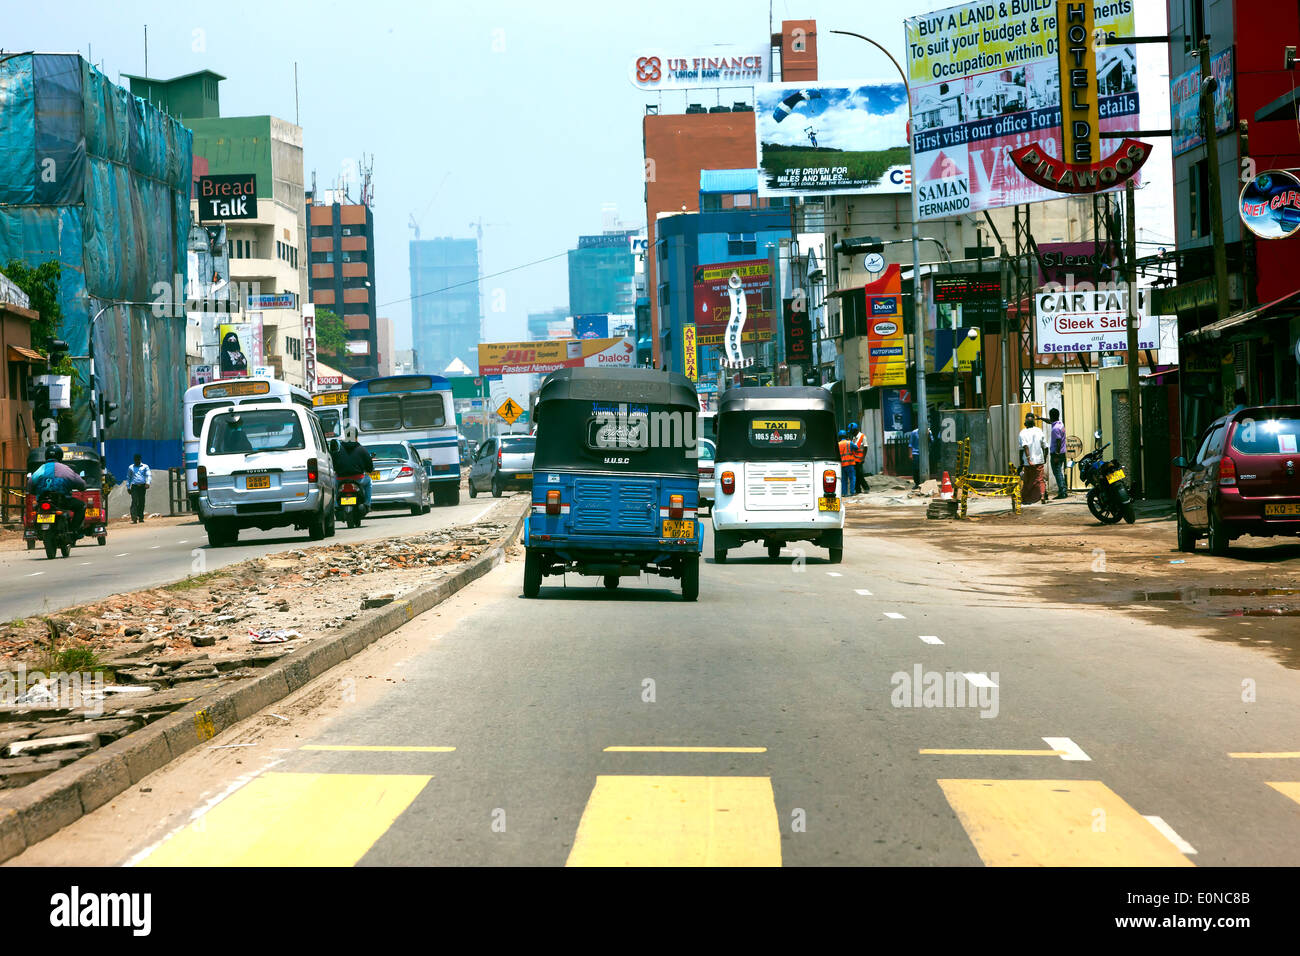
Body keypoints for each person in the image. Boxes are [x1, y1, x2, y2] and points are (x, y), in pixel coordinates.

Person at [26, 444, 86, 533]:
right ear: (60, 456)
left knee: (35, 510)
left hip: (42, 501)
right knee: (82, 506)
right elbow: (82, 485)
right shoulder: (66, 470)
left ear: (46, 456)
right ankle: (73, 531)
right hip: (62, 502)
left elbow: (30, 486)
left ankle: (36, 530)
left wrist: (37, 492)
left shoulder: (40, 470)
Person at [333, 425, 374, 511]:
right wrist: (369, 470)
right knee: (369, 482)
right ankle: (367, 503)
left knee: (334, 486)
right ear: (356, 436)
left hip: (341, 479)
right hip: (358, 479)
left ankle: (336, 505)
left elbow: (334, 464)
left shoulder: (338, 449)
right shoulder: (362, 449)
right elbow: (369, 467)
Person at [1018, 412, 1049, 505]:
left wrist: (1025, 460)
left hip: (1028, 462)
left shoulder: (1022, 432)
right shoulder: (1039, 431)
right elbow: (1046, 447)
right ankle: (1042, 496)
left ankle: (1025, 499)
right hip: (1039, 460)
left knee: (1027, 480)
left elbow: (1024, 447)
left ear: (1025, 422)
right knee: (1040, 479)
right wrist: (1044, 458)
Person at [1048, 409, 1068, 499]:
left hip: (1057, 454)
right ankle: (1063, 490)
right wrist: (1041, 418)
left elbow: (1059, 442)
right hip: (1062, 453)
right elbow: (1050, 421)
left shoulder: (1055, 429)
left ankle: (1062, 492)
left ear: (1051, 416)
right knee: (1059, 472)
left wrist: (1056, 454)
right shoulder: (1060, 424)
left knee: (1057, 473)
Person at [126, 453, 151, 523]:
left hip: (142, 486)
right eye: (135, 460)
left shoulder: (145, 467)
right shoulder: (131, 467)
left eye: (138, 460)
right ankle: (134, 518)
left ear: (140, 459)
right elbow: (128, 477)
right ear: (134, 460)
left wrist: (148, 483)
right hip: (134, 487)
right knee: (134, 501)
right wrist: (128, 487)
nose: (136, 461)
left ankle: (141, 517)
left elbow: (148, 475)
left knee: (141, 501)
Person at [837, 429, 856, 496]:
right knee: (852, 478)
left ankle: (844, 493)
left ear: (839, 437)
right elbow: (856, 448)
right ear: (846, 436)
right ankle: (852, 492)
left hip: (842, 464)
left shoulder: (838, 444)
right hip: (850, 464)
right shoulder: (849, 442)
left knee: (844, 480)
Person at [850, 422, 867, 495]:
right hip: (854, 459)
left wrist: (863, 458)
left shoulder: (862, 436)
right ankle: (858, 490)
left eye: (852, 431)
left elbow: (866, 447)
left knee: (859, 474)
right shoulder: (854, 437)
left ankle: (866, 487)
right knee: (856, 475)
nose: (851, 433)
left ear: (855, 430)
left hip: (860, 459)